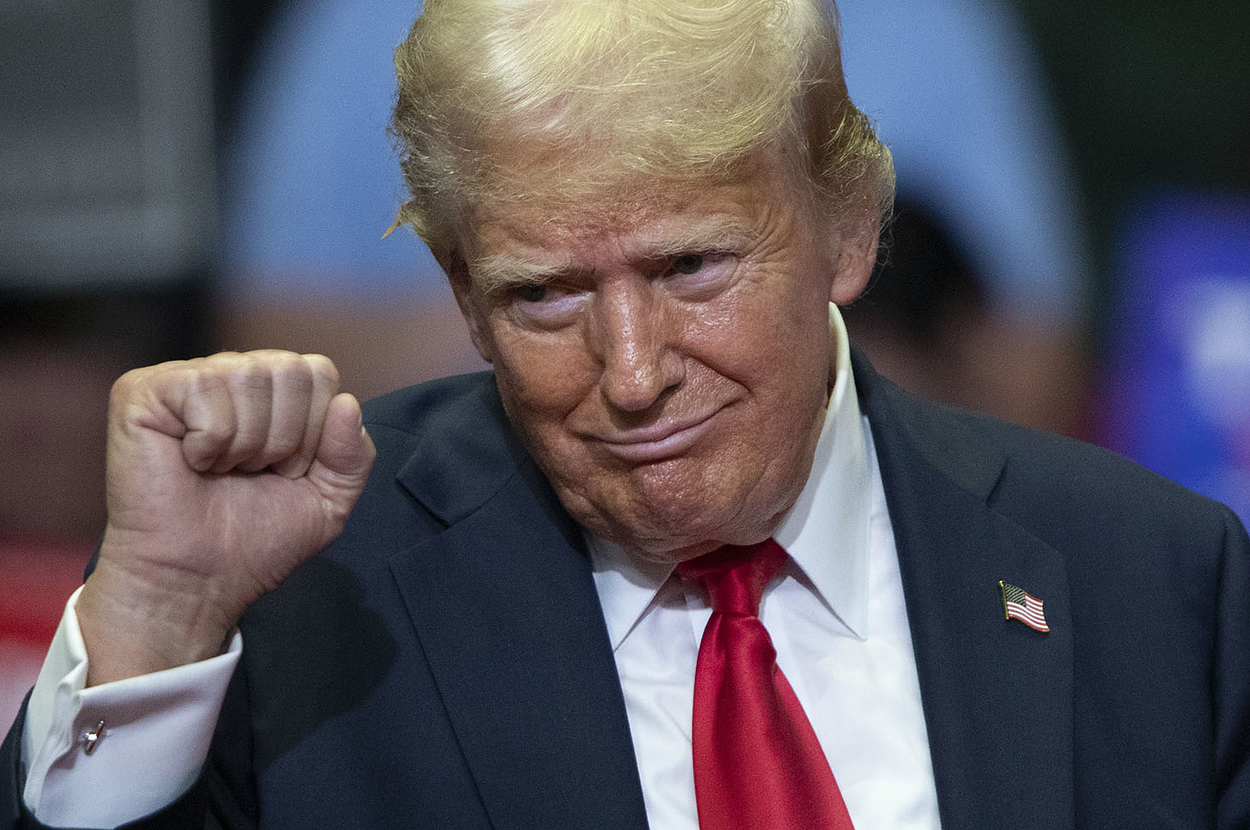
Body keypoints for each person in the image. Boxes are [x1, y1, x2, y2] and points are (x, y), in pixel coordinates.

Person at [3, 0, 1248, 827]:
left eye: (692, 268)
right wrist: (155, 624)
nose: (634, 368)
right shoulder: (307, 603)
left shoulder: (1151, 582)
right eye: (541, 293)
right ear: (463, 299)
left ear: (846, 229)